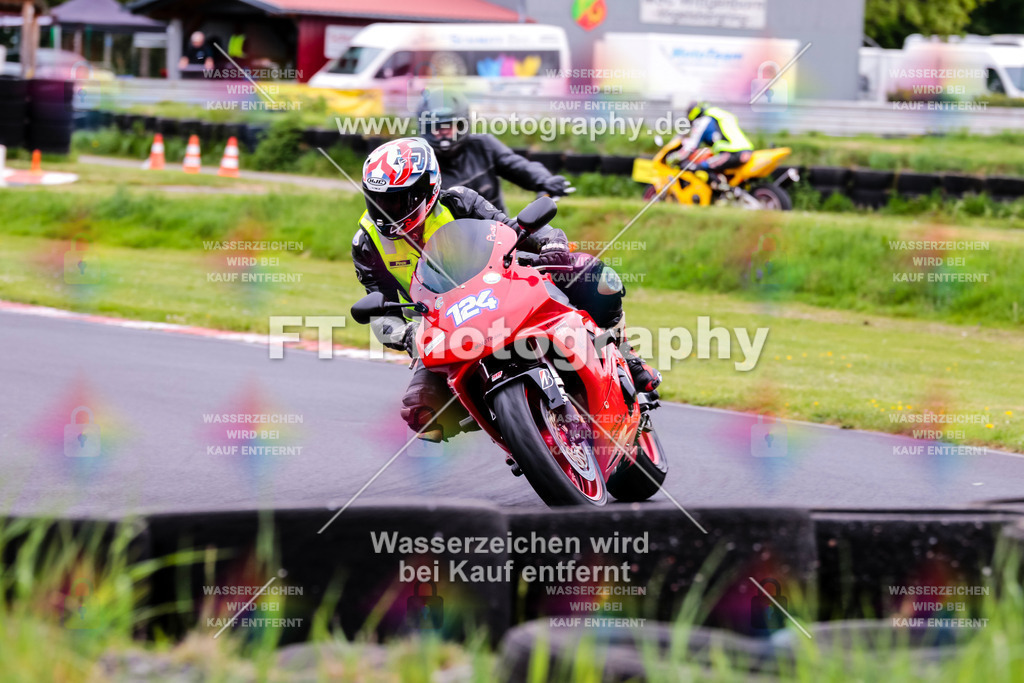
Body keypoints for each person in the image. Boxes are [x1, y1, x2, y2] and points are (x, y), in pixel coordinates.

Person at [353, 138, 660, 442]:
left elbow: (511, 228)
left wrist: (551, 241)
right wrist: (405, 334)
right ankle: (514, 428)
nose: (388, 210)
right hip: (440, 322)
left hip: (498, 284)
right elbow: (380, 312)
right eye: (379, 200)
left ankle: (627, 355)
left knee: (594, 277)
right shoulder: (366, 244)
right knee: (422, 416)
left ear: (428, 188)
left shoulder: (458, 202)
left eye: (398, 199)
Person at [417, 94, 572, 213]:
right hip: (448, 246)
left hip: (501, 237)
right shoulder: (421, 161)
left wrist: (543, 180)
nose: (444, 132)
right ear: (426, 128)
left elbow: (517, 165)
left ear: (462, 124)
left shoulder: (483, 145)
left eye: (449, 125)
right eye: (437, 126)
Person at [665, 102, 754, 190]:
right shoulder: (716, 118)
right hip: (744, 151)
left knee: (695, 166)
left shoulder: (704, 121)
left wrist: (673, 157)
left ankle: (723, 189)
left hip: (732, 153)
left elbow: (691, 146)